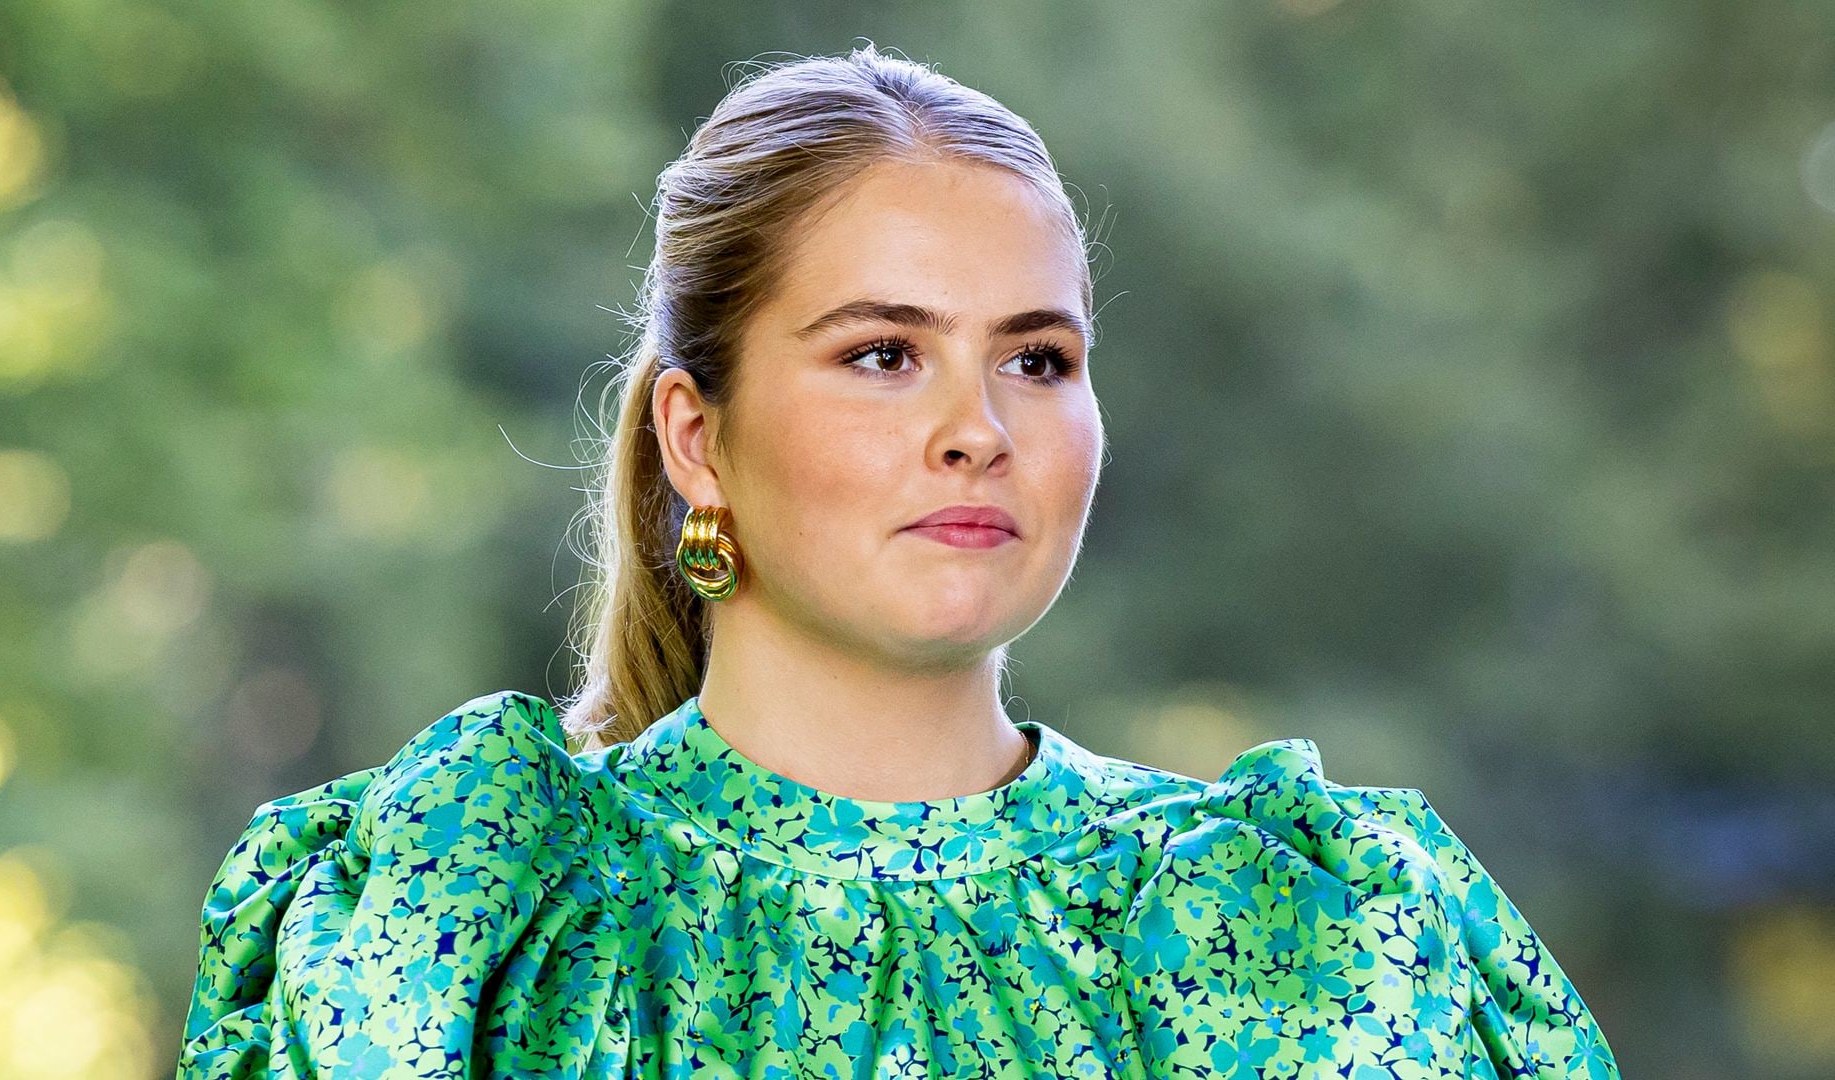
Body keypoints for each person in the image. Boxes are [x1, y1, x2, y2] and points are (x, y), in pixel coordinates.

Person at [177, 44, 1618, 1079]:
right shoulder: (457, 935)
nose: (977, 430)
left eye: (1037, 360)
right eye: (883, 353)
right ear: (697, 434)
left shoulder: (1324, 939)